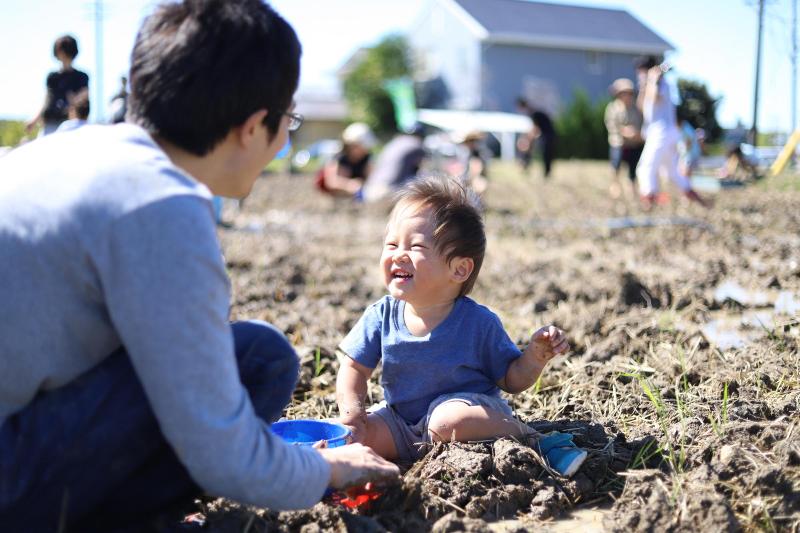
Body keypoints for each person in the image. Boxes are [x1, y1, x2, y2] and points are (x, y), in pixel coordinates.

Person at [0, 1, 398, 530]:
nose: (284, 140)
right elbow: (222, 452)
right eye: (289, 122)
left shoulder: (71, 149)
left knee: (258, 355)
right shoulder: (159, 206)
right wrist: (324, 467)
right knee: (258, 364)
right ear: (254, 126)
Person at [335, 176, 587, 476]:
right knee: (348, 435)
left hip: (467, 416)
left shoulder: (478, 323)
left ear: (459, 269)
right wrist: (353, 414)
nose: (398, 254)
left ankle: (536, 439)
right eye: (391, 244)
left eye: (415, 246)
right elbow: (353, 369)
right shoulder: (381, 315)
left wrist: (534, 356)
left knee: (446, 421)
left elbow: (512, 380)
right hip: (401, 423)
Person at [634, 56, 710, 208]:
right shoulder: (648, 84)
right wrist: (645, 84)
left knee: (645, 168)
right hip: (663, 133)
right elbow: (642, 107)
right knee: (671, 172)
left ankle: (649, 201)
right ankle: (695, 197)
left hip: (661, 132)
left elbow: (654, 97)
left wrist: (652, 80)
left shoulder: (661, 83)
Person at [25, 34, 90, 136]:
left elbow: (84, 97)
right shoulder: (53, 77)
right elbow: (47, 100)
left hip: (70, 124)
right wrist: (35, 120)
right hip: (51, 122)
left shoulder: (81, 77)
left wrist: (73, 102)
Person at [360, 123, 427, 202]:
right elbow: (423, 171)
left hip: (368, 190)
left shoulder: (393, 143)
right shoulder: (417, 145)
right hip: (388, 193)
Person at [604, 78, 644, 199]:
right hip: (618, 142)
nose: (627, 96)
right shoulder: (613, 108)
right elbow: (612, 125)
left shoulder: (636, 109)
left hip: (633, 144)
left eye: (629, 93)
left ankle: (631, 186)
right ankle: (615, 184)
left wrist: (637, 134)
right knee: (616, 164)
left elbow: (640, 123)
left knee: (633, 166)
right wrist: (625, 131)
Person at [318, 122, 376, 197]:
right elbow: (331, 182)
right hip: (339, 198)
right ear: (351, 145)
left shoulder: (367, 158)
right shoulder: (339, 158)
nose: (365, 150)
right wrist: (348, 185)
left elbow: (372, 178)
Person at [516, 97, 557, 179]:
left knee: (546, 155)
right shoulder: (535, 111)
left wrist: (528, 140)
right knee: (547, 155)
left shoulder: (533, 113)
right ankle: (547, 173)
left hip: (547, 136)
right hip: (550, 135)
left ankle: (547, 173)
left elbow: (535, 129)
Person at [450, 129, 489, 196]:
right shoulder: (467, 153)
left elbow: (476, 170)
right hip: (467, 179)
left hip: (474, 181)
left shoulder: (477, 154)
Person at [676, 112, 702, 178]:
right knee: (682, 171)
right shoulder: (683, 127)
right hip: (689, 154)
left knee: (685, 172)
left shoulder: (685, 128)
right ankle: (686, 184)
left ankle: (686, 185)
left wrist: (684, 153)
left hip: (690, 154)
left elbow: (689, 141)